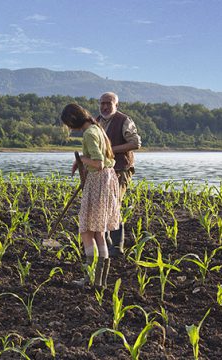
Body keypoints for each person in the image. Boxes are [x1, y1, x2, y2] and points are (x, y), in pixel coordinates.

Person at [60, 103, 120, 288]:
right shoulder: (97, 128)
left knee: (87, 231)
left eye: (68, 124)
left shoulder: (89, 133)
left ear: (72, 120)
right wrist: (81, 163)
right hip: (107, 180)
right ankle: (99, 281)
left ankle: (90, 278)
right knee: (99, 233)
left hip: (98, 181)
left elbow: (98, 163)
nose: (69, 128)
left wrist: (81, 160)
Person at [96, 92, 141, 257]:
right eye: (102, 103)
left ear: (116, 105)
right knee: (102, 205)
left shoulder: (124, 121)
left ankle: (117, 246)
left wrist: (111, 151)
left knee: (114, 203)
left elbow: (135, 143)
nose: (105, 107)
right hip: (102, 169)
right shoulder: (97, 121)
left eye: (108, 103)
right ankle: (106, 243)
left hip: (121, 168)